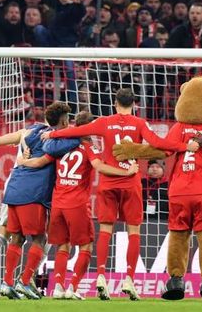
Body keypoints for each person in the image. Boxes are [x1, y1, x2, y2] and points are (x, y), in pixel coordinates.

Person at [43, 88, 193, 300]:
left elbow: (76, 131)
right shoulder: (140, 123)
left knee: (106, 229)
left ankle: (101, 276)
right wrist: (185, 146)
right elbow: (158, 143)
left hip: (107, 184)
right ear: (134, 104)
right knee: (134, 231)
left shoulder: (104, 122)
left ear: (115, 103)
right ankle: (129, 279)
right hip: (130, 182)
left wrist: (52, 134)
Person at [0, 101, 82, 299]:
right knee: (41, 239)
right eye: (67, 120)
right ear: (63, 121)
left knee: (11, 236)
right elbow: (61, 148)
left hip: (13, 188)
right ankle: (25, 280)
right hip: (34, 192)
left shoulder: (27, 131)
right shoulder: (56, 141)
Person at [43, 111, 140, 300]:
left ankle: (58, 287)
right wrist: (126, 172)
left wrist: (24, 161)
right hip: (76, 203)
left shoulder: (60, 146)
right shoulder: (88, 146)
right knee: (86, 246)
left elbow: (43, 161)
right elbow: (99, 166)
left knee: (62, 245)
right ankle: (72, 287)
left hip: (57, 203)